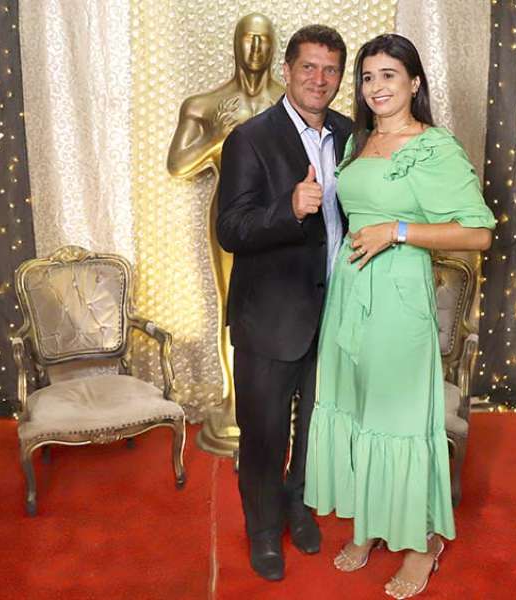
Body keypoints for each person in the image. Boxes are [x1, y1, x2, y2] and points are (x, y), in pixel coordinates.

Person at [304, 33, 495, 599]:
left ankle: (419, 544)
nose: (376, 86)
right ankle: (370, 521)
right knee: (360, 409)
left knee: (400, 418)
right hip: (350, 295)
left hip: (399, 298)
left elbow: (478, 232)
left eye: (389, 75)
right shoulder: (357, 141)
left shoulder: (434, 146)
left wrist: (398, 230)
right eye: (367, 77)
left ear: (414, 82)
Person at [216, 24, 352, 582]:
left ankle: (298, 504)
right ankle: (264, 529)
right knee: (265, 434)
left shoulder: (351, 133)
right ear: (288, 71)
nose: (320, 79)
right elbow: (231, 228)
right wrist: (288, 209)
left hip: (335, 315)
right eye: (309, 67)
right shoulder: (250, 138)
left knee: (316, 429)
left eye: (330, 69)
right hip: (270, 320)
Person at [167, 13, 286, 456]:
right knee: (233, 307)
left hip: (281, 213)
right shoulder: (205, 104)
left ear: (274, 46)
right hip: (231, 212)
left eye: (263, 40)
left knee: (278, 306)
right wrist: (225, 139)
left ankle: (271, 399)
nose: (255, 49)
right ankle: (236, 401)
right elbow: (178, 164)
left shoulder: (288, 100)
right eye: (248, 39)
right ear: (235, 43)